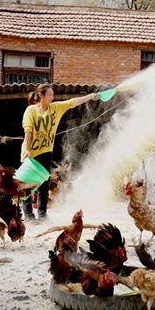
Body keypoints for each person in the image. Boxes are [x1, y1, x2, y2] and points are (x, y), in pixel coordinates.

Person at [20, 83, 99, 220]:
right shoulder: (31, 111)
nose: (52, 97)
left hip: (46, 152)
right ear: (41, 96)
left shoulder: (55, 108)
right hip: (31, 153)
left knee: (44, 185)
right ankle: (28, 214)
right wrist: (27, 149)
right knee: (28, 184)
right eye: (50, 94)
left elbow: (72, 102)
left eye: (53, 94)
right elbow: (28, 131)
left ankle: (43, 214)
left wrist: (91, 97)